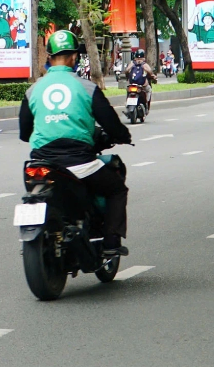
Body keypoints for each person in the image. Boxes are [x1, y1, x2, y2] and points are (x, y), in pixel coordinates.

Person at [18, 30, 133, 256]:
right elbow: (110, 123)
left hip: (41, 163)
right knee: (116, 189)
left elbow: (24, 133)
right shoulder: (87, 88)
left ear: (49, 57)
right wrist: (123, 136)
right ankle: (110, 243)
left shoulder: (33, 90)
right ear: (73, 58)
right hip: (80, 163)